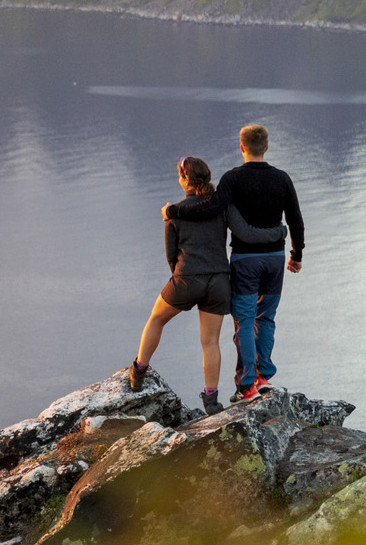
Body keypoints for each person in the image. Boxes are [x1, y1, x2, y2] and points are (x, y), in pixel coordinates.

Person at [177, 123, 304, 402]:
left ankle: (247, 385)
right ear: (266, 147)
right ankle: (263, 376)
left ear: (241, 147)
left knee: (244, 322)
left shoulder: (232, 179)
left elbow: (212, 208)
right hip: (275, 259)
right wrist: (296, 255)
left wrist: (174, 211)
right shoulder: (282, 178)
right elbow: (295, 219)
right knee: (266, 318)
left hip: (246, 260)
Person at [129, 156, 236, 415]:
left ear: (183, 178)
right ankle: (211, 401)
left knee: (156, 319)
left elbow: (170, 255)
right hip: (219, 280)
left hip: (187, 278)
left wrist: (182, 283)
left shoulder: (173, 212)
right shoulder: (218, 208)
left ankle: (138, 373)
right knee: (210, 342)